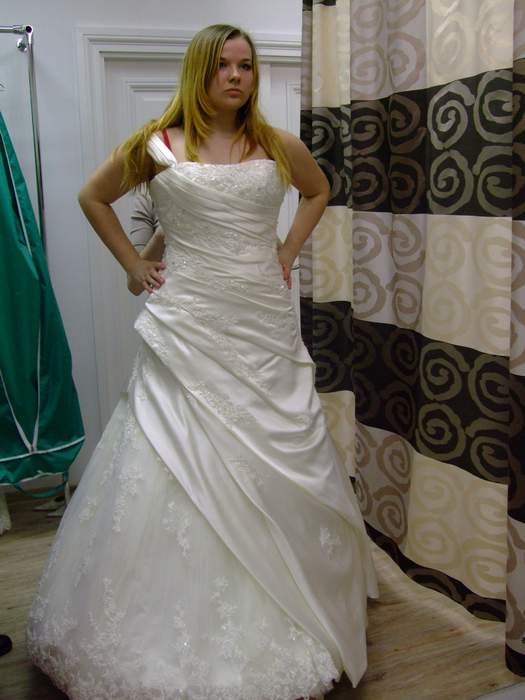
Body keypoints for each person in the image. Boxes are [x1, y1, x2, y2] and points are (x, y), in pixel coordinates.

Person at [26, 24, 378, 700]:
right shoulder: (155, 144)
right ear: (199, 71)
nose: (237, 77)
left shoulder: (275, 144)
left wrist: (287, 250)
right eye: (223, 66)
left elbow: (318, 190)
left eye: (245, 65)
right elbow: (92, 197)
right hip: (188, 322)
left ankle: (300, 594)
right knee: (170, 450)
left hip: (260, 320)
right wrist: (135, 264)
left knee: (277, 446)